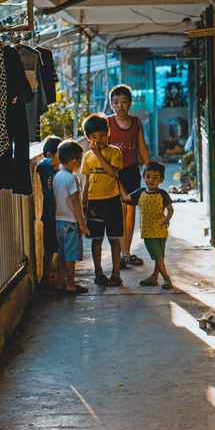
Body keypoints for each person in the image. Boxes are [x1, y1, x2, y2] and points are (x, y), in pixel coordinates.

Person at [107, 84, 151, 269]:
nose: (120, 106)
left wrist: (148, 168)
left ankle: (127, 253)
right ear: (111, 104)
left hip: (132, 171)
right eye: (116, 102)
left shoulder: (136, 123)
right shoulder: (107, 124)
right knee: (119, 212)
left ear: (131, 103)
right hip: (115, 174)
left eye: (124, 102)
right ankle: (122, 254)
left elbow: (141, 147)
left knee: (131, 213)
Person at [81, 113, 124, 287]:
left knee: (114, 239)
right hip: (95, 203)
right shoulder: (87, 156)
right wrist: (84, 205)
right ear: (88, 137)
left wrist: (98, 154)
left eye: (101, 135)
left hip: (112, 200)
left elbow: (112, 173)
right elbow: (87, 181)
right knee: (96, 239)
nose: (98, 139)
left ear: (108, 133)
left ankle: (115, 274)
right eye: (93, 137)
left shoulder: (114, 152)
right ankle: (98, 273)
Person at [119, 161, 174, 289]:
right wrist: (118, 182)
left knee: (159, 256)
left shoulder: (163, 194)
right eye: (148, 177)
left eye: (155, 178)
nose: (151, 180)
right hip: (148, 233)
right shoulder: (140, 193)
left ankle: (154, 277)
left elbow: (170, 209)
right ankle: (166, 278)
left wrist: (167, 218)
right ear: (143, 177)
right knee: (157, 257)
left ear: (161, 179)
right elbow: (126, 198)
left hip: (161, 231)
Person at [52, 140, 90, 294]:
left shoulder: (57, 176)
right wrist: (82, 224)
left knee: (61, 254)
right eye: (80, 160)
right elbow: (76, 202)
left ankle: (61, 283)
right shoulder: (72, 179)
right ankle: (71, 285)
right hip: (72, 223)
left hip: (59, 221)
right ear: (74, 161)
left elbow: (55, 200)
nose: (80, 163)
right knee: (70, 255)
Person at [37, 135, 63, 288]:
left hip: (59, 212)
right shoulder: (45, 165)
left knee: (57, 246)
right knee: (49, 248)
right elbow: (43, 164)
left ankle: (52, 276)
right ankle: (46, 277)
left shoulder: (58, 169)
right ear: (49, 154)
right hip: (49, 214)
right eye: (60, 153)